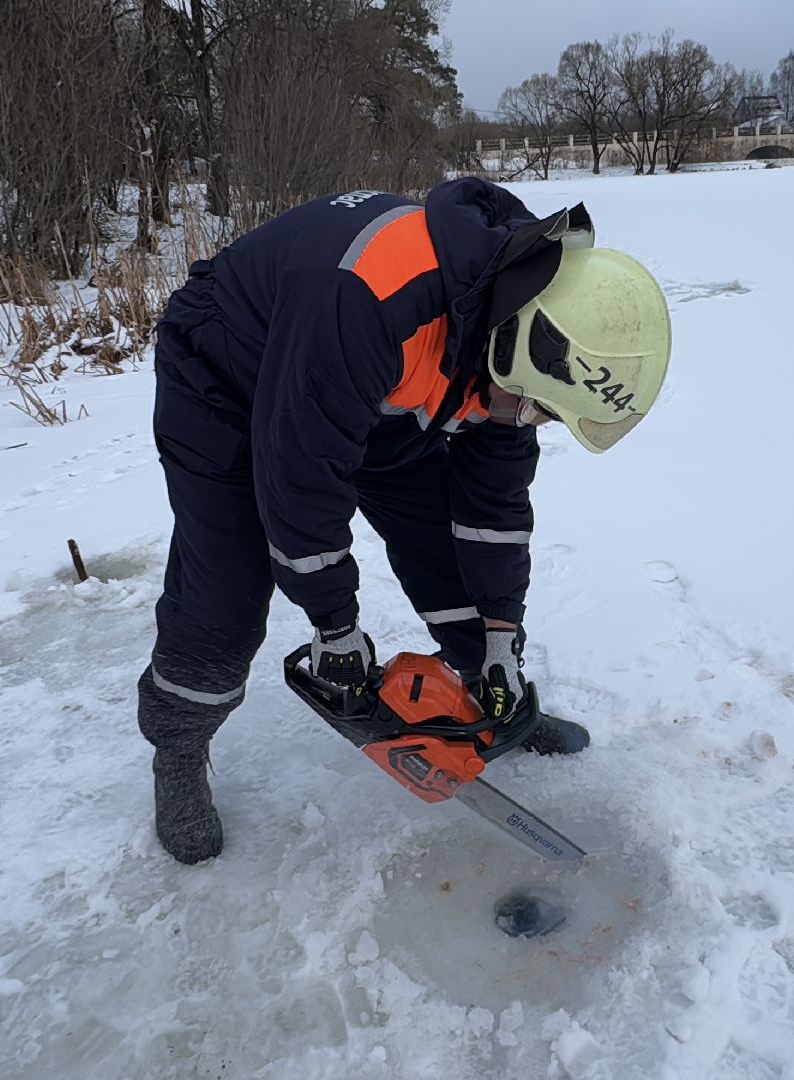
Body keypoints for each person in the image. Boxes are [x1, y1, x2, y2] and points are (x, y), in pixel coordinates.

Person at [139, 177, 671, 864]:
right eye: (539, 409)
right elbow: (299, 482)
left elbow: (493, 514)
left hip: (383, 386)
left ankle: (484, 694)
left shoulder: (514, 335)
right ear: (517, 353)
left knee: (446, 542)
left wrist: (502, 639)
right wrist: (335, 628)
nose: (535, 424)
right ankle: (178, 749)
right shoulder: (372, 296)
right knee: (227, 589)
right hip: (228, 372)